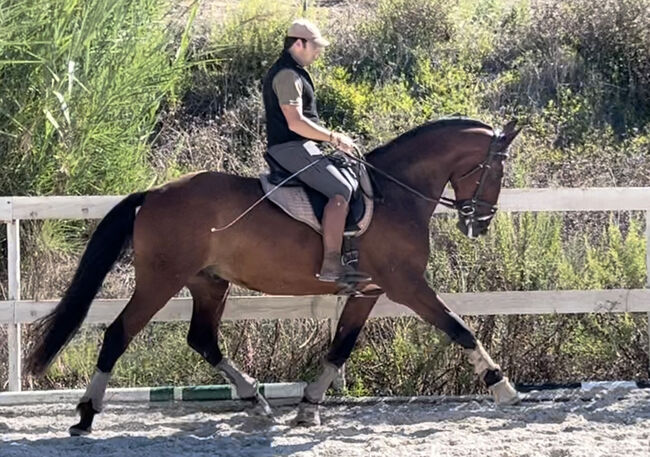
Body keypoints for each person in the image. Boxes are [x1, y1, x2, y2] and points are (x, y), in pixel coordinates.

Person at [262, 18, 370, 285]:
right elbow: (295, 122)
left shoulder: (295, 72)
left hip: (303, 146)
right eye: (315, 46)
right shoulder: (287, 75)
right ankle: (332, 263)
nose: (318, 51)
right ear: (298, 44)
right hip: (290, 147)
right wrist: (333, 137)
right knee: (340, 190)